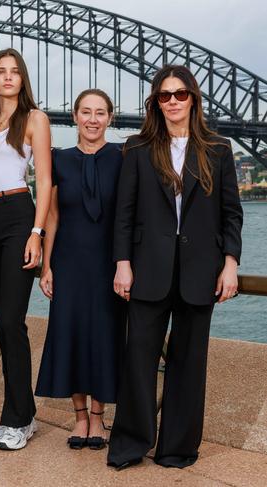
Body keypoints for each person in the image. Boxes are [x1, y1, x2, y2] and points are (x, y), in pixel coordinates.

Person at [106, 65, 243, 470]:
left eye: (179, 94)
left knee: (189, 363)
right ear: (155, 103)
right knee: (139, 359)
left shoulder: (218, 149)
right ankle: (130, 444)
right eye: (164, 96)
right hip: (147, 268)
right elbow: (124, 215)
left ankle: (177, 448)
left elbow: (231, 214)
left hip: (201, 270)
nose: (172, 102)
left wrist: (230, 264)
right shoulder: (137, 148)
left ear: (193, 99)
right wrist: (122, 264)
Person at [35, 89, 125, 450]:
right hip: (68, 260)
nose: (92, 119)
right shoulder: (59, 159)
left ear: (110, 118)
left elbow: (128, 215)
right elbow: (53, 216)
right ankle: (79, 417)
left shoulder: (123, 157)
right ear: (74, 116)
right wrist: (47, 265)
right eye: (86, 112)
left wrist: (126, 263)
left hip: (108, 261)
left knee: (104, 334)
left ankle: (100, 418)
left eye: (100, 113)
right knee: (69, 332)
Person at [0, 48, 52, 451]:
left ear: (23, 79)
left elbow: (45, 182)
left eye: (15, 71)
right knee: (1, 322)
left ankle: (19, 418)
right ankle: (20, 413)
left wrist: (36, 232)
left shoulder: (35, 119)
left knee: (11, 319)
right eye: (1, 71)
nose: (7, 77)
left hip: (18, 214)